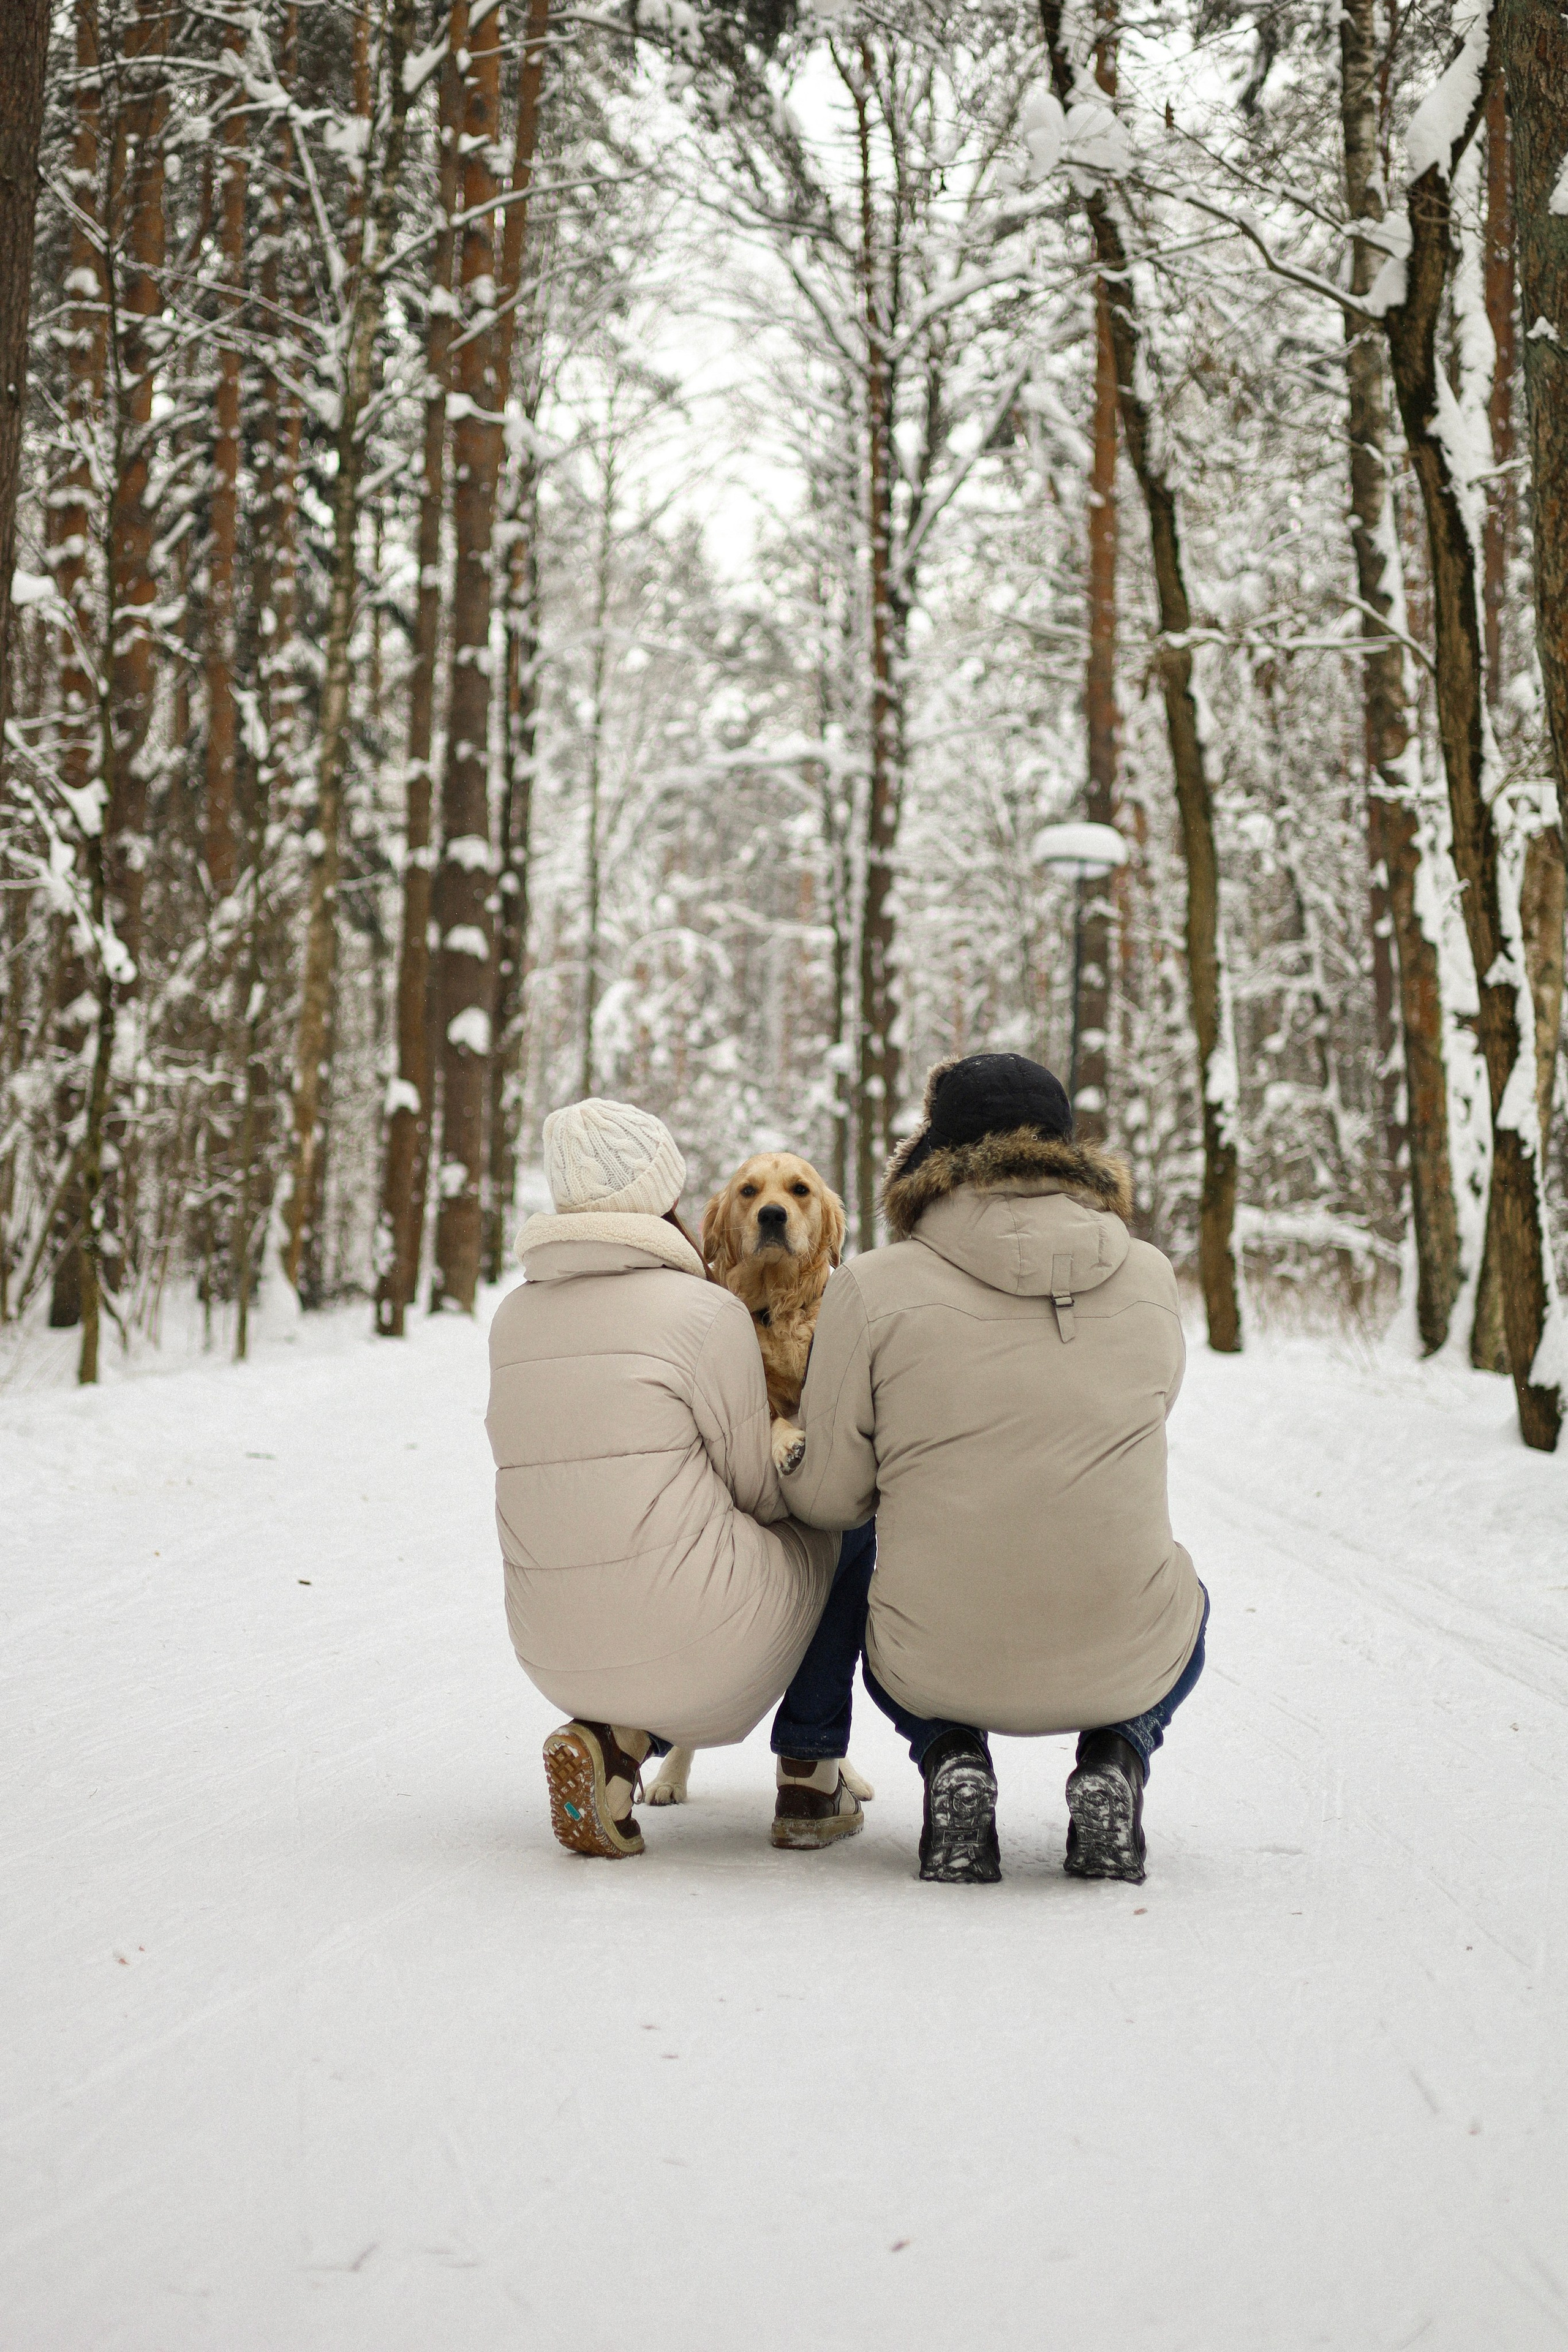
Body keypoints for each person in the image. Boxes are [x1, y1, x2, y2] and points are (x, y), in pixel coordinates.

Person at [782, 1052, 1207, 1885]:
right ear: (1065, 1151)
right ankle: (1118, 1757)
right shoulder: (1152, 1277)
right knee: (1190, 1601)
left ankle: (950, 1757)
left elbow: (832, 1498)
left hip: (936, 1659)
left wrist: (795, 1456)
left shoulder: (870, 1284)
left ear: (933, 1154)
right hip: (1123, 1654)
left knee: (876, 1579)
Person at [485, 1096, 870, 1858]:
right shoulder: (703, 1315)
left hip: (548, 1646)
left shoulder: (510, 1316)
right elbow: (758, 1493)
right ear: (696, 1214)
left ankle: (616, 1749)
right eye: (749, 1195)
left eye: (793, 1194)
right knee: (844, 1528)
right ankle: (808, 1763)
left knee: (648, 1587)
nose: (768, 1209)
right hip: (690, 1625)